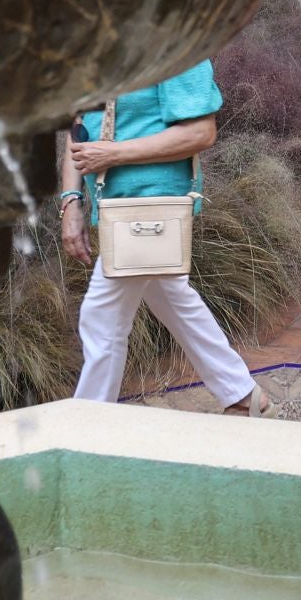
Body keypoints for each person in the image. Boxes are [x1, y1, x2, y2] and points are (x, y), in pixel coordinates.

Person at [59, 59, 273, 415]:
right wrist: (71, 201)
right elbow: (77, 130)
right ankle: (243, 396)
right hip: (114, 204)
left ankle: (89, 422)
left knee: (101, 316)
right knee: (168, 294)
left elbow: (200, 133)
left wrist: (113, 154)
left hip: (149, 202)